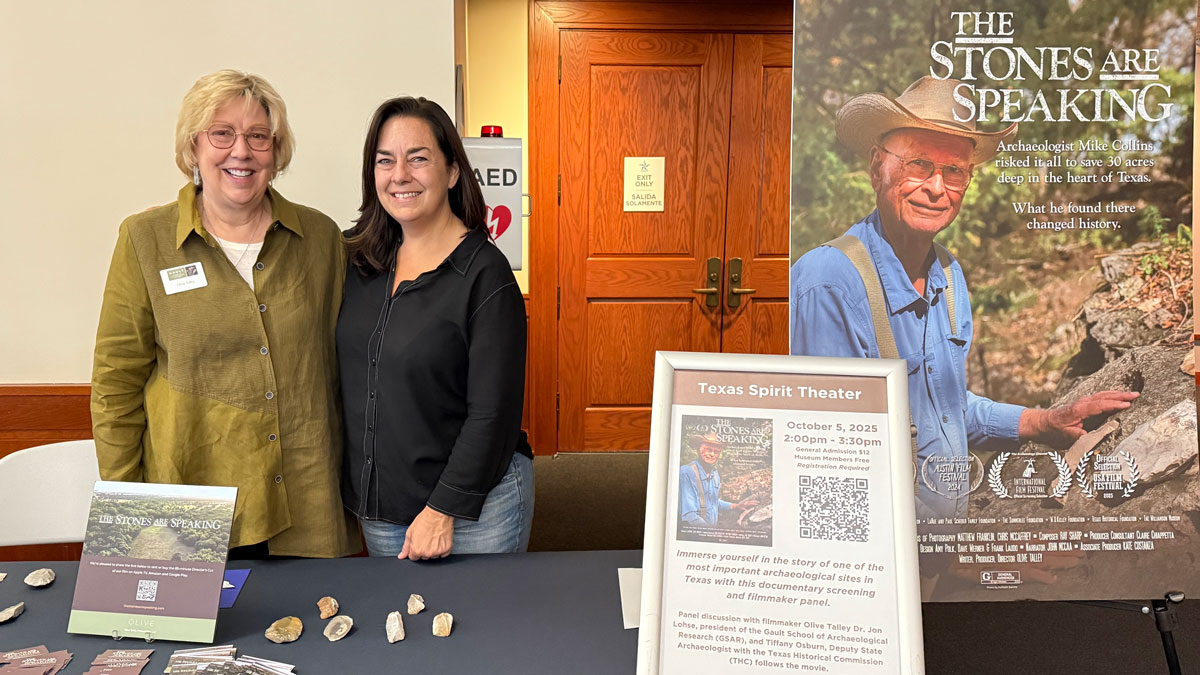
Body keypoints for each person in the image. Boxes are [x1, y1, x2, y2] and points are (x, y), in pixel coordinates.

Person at [789, 76, 1138, 520]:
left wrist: (1042, 421)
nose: (937, 188)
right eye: (919, 164)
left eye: (954, 170)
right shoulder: (830, 282)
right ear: (878, 168)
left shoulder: (949, 277)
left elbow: (945, 408)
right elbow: (831, 471)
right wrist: (955, 562)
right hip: (887, 569)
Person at [91, 70, 359, 557]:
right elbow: (115, 385)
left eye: (259, 136)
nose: (242, 151)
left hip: (307, 503)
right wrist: (130, 511)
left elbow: (344, 370)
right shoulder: (145, 240)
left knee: (319, 631)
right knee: (193, 638)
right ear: (193, 147)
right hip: (188, 514)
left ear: (276, 153)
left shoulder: (321, 239)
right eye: (222, 133)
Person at [338, 97, 534, 560]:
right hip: (383, 509)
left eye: (418, 158)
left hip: (473, 510)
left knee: (479, 631)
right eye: (385, 161)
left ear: (451, 172)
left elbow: (493, 413)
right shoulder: (358, 264)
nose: (399, 174)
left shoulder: (485, 274)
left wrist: (441, 510)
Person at [678, 433, 755, 526]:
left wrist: (736, 506)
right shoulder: (687, 472)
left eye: (717, 451)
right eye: (708, 449)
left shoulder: (714, 474)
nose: (712, 454)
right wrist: (712, 535)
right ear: (698, 449)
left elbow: (712, 502)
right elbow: (690, 516)